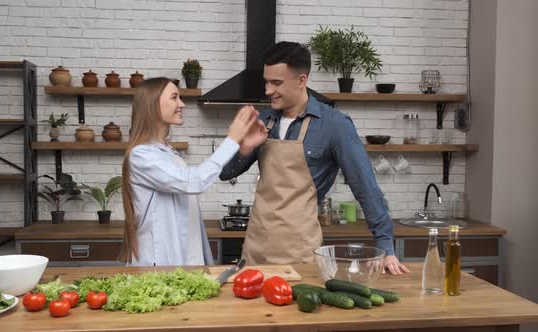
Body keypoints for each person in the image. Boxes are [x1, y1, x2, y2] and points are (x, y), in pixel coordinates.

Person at [219, 42, 410, 275]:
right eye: (266, 81)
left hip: (300, 255)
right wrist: (245, 148)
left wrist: (386, 246)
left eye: (276, 83)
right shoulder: (264, 119)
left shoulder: (335, 125)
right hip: (254, 250)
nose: (268, 90)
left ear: (301, 80)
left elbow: (365, 187)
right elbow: (224, 172)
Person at [120, 77, 262, 266]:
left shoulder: (169, 153)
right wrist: (232, 140)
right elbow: (193, 181)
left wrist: (243, 149)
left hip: (179, 264)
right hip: (158, 264)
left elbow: (189, 213)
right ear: (152, 104)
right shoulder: (141, 155)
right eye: (174, 98)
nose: (182, 104)